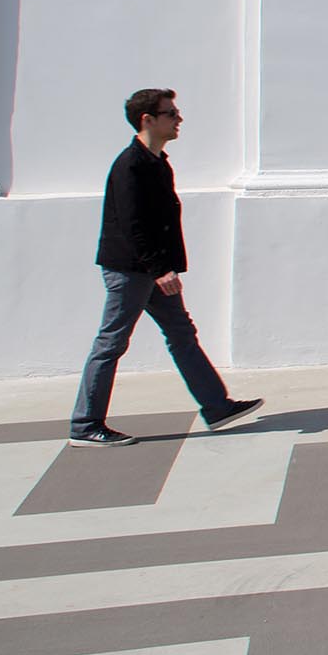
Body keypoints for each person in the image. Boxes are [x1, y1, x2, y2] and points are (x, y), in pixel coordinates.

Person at [70, 89, 262, 445]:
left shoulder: (156, 162)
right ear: (148, 120)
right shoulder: (131, 165)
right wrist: (160, 269)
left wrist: (166, 267)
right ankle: (85, 425)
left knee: (181, 334)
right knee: (111, 342)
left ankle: (217, 407)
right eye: (170, 113)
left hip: (152, 271)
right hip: (132, 271)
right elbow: (133, 225)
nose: (179, 119)